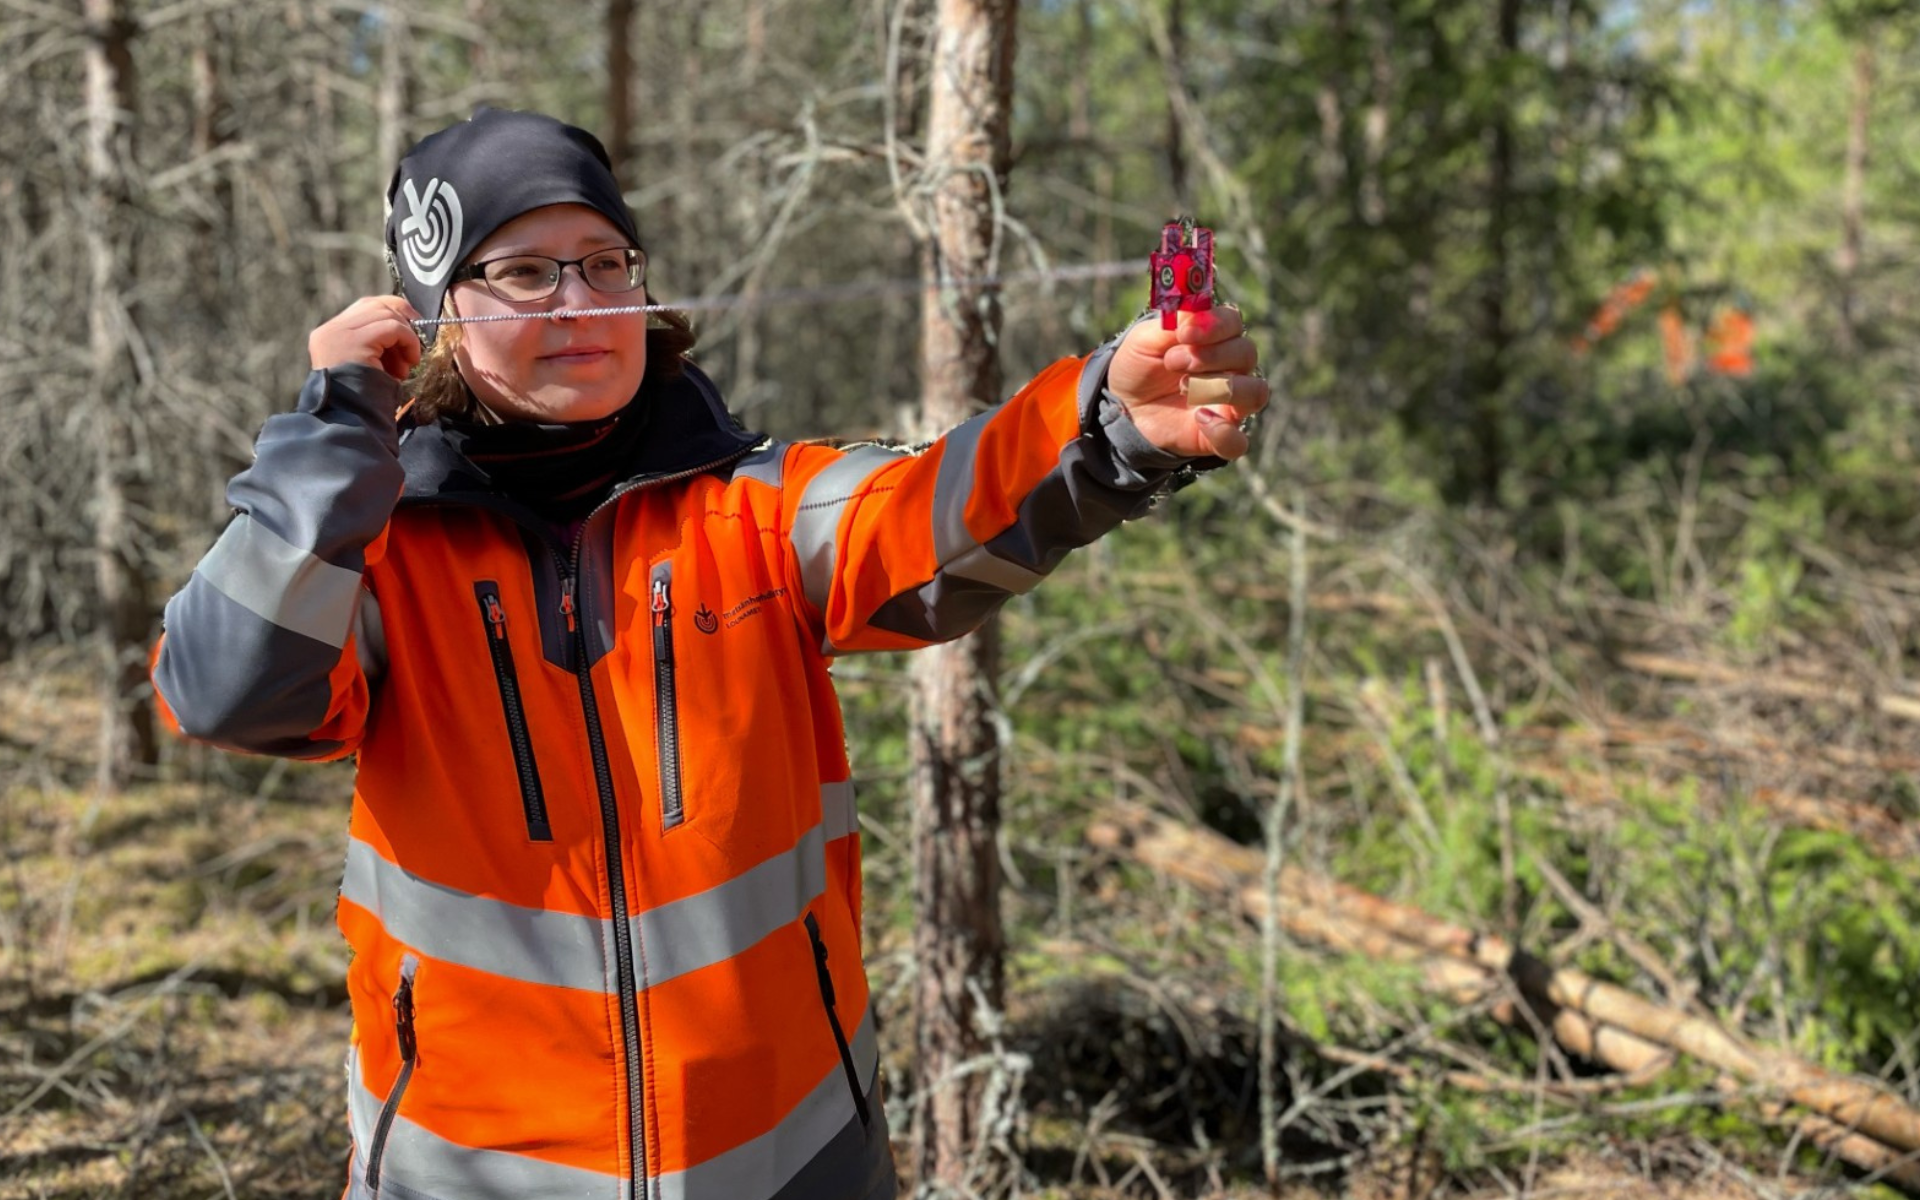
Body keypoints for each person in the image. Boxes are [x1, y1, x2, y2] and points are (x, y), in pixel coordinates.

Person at [151, 107, 1269, 1200]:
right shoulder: (378, 551)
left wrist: (1108, 426)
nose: (583, 304)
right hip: (468, 1166)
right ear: (439, 312)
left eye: (604, 262)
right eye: (528, 274)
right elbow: (228, 693)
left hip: (793, 1151)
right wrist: (335, 436)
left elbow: (935, 510)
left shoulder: (759, 506)